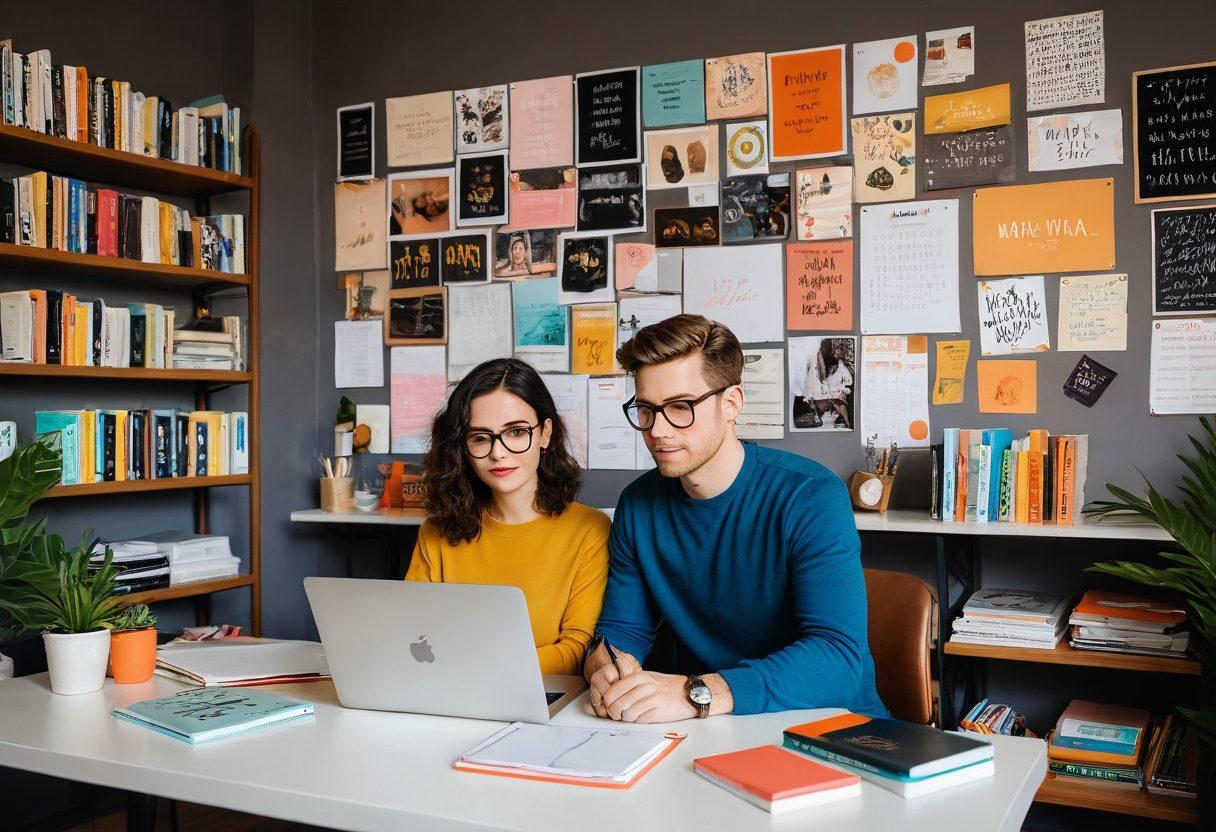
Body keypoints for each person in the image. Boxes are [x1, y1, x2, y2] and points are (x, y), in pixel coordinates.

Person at [583, 314, 887, 722]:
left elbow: (837, 659)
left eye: (680, 407)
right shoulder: (638, 505)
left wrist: (699, 692)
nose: (657, 430)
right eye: (646, 409)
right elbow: (623, 630)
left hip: (826, 724)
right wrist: (605, 669)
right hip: (706, 727)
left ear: (731, 404)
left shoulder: (811, 496)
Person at [406, 358, 609, 676]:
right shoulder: (436, 532)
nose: (498, 452)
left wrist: (482, 669)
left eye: (515, 432)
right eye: (480, 438)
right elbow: (411, 637)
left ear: (544, 434)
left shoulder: (590, 530)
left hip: (541, 700)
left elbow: (576, 651)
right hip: (446, 694)